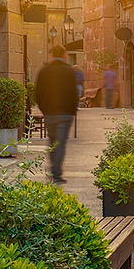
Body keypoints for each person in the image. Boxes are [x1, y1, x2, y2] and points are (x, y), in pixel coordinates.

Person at [35, 45, 78, 184]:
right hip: (65, 114)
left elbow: (38, 93)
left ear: (52, 54)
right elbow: (74, 93)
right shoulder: (69, 71)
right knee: (60, 143)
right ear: (64, 55)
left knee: (53, 142)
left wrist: (44, 109)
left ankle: (53, 170)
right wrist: (72, 111)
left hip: (50, 113)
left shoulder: (44, 71)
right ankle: (56, 174)